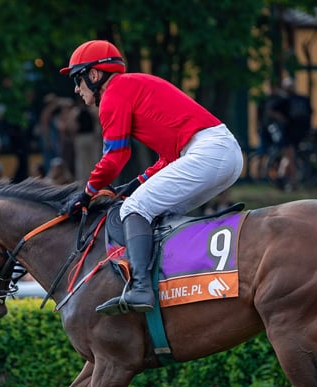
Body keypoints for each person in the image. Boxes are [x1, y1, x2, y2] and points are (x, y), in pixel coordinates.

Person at [61, 39, 243, 315]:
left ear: (94, 75)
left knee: (134, 209)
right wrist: (133, 184)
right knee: (153, 211)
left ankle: (141, 288)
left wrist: (87, 192)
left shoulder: (113, 95)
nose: (77, 89)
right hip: (220, 152)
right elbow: (167, 159)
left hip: (208, 152)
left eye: (78, 79)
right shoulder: (130, 86)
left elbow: (114, 158)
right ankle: (173, 283)